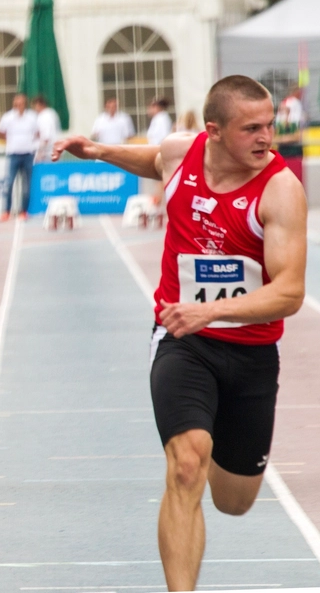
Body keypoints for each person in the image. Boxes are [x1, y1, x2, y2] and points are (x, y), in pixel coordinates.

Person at [52, 75, 307, 592]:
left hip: (252, 353)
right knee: (187, 466)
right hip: (182, 341)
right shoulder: (180, 152)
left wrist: (211, 312)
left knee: (233, 501)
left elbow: (290, 294)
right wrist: (98, 150)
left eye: (270, 126)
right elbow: (154, 161)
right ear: (212, 131)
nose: (267, 139)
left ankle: (217, 442)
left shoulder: (280, 190)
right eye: (251, 128)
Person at [0, 93, 38, 221]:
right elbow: (0, 133)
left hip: (28, 154)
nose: (18, 106)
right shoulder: (7, 117)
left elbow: (37, 133)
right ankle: (6, 211)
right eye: (16, 104)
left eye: (21, 104)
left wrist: (29, 143)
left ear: (24, 105)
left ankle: (24, 211)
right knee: (9, 184)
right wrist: (12, 141)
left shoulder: (32, 117)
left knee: (26, 186)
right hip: (13, 154)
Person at [32, 95, 60, 162]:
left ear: (39, 105)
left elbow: (46, 136)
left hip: (47, 153)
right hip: (55, 150)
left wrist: (40, 153)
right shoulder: (52, 113)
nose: (34, 109)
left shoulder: (44, 116)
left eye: (34, 106)